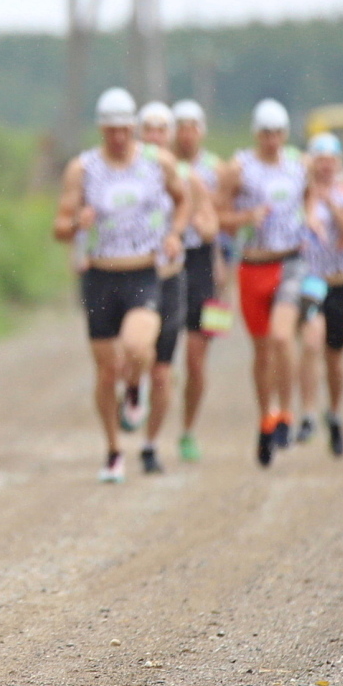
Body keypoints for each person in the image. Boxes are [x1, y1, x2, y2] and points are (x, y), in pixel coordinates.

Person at [54, 88, 188, 482]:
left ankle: (135, 389)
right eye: (110, 130)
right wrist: (78, 223)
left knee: (137, 346)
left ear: (134, 127)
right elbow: (59, 226)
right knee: (105, 371)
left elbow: (183, 201)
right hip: (99, 276)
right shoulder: (83, 168)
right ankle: (113, 450)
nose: (117, 137)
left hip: (144, 271)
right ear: (101, 128)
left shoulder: (157, 162)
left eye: (124, 130)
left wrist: (175, 233)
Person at [216, 98, 307, 468]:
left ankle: (286, 413)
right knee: (262, 351)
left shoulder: (300, 167)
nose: (272, 140)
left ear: (285, 134)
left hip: (289, 263)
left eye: (278, 133)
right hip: (252, 266)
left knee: (283, 338)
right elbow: (219, 217)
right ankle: (266, 416)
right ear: (257, 134)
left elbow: (315, 201)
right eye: (266, 133)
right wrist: (245, 217)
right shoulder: (240, 169)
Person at [129, 101, 218, 473]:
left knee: (196, 359)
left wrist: (189, 219)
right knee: (140, 353)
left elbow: (213, 230)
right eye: (147, 129)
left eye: (161, 130)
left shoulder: (193, 175)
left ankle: (186, 431)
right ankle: (139, 396)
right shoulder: (128, 173)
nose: (155, 137)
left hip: (196, 271)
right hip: (143, 270)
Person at [294, 132, 343, 456]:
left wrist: (332, 208)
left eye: (330, 161)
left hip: (340, 281)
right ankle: (308, 413)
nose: (325, 167)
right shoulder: (299, 193)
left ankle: (334, 413)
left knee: (335, 357)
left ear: (338, 164)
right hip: (310, 279)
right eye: (319, 161)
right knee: (311, 341)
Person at [169, 99, 224, 463]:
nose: (187, 133)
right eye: (181, 126)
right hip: (169, 262)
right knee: (160, 349)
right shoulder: (161, 165)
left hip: (209, 266)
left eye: (193, 126)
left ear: (202, 130)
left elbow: (218, 224)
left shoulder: (218, 169)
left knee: (198, 358)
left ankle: (188, 430)